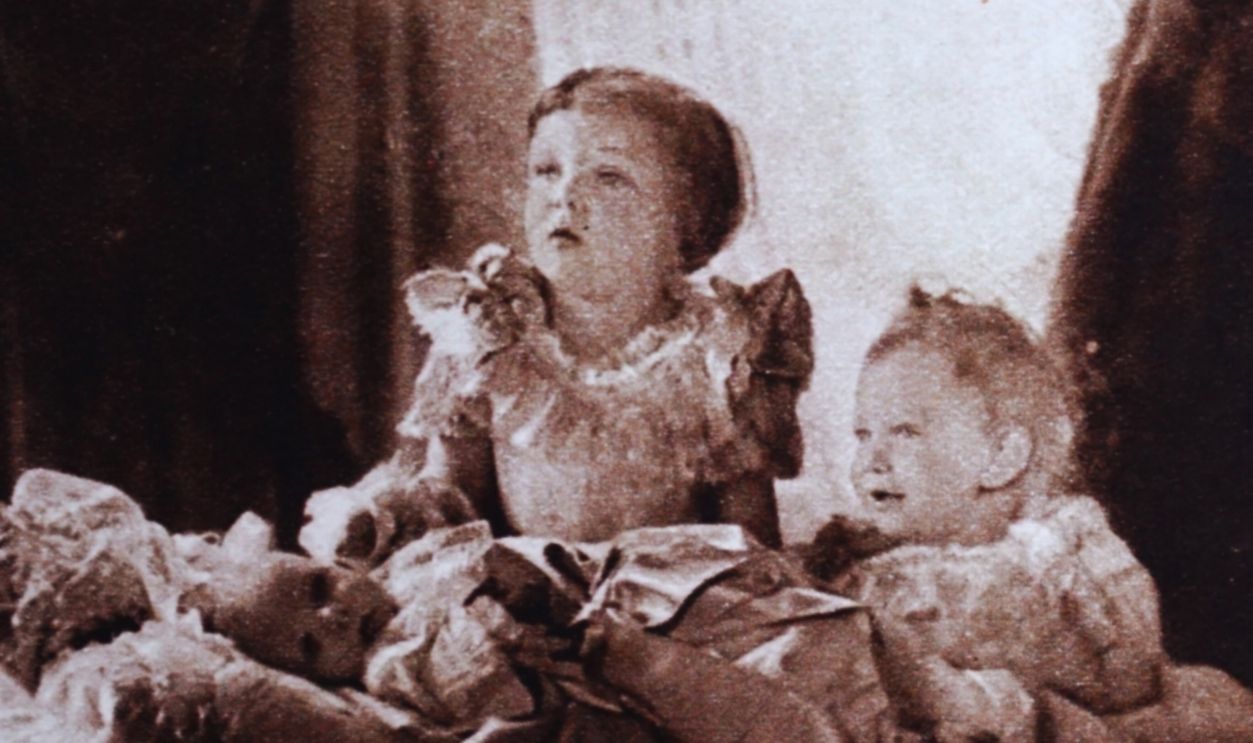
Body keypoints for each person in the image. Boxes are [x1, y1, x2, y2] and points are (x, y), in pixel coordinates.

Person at [300, 66, 812, 564]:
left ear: (687, 224)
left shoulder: (718, 354)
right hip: (532, 591)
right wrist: (389, 522)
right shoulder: (494, 332)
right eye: (546, 170)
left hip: (668, 604)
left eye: (609, 177)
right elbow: (453, 497)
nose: (563, 195)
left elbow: (751, 543)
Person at [813, 286, 1251, 741]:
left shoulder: (1049, 567)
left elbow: (1122, 684)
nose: (872, 460)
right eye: (863, 434)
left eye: (906, 432)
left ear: (1003, 456)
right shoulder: (864, 558)